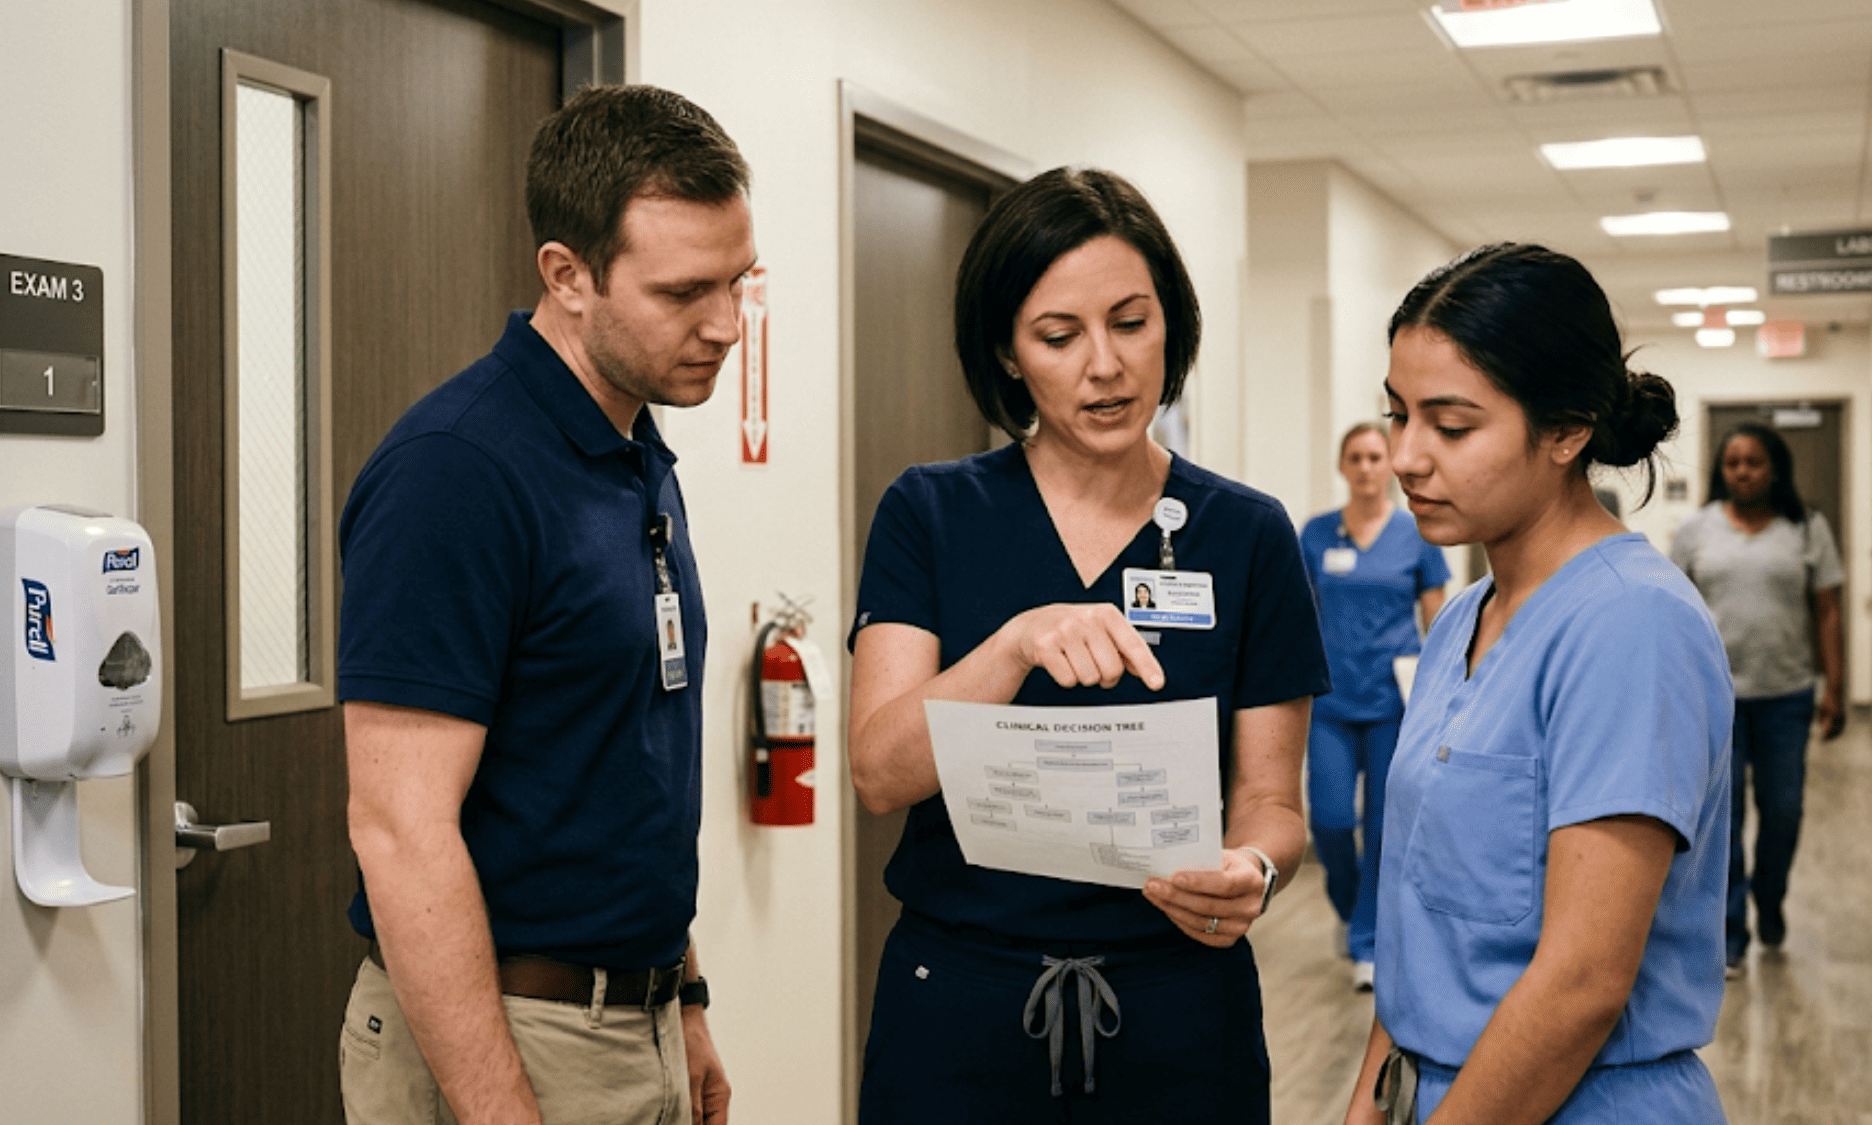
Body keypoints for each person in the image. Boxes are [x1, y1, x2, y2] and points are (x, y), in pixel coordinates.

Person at [849, 166, 1329, 1123]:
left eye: (1131, 321)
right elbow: (878, 770)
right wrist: (1016, 643)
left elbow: (1274, 803)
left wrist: (1256, 871)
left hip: (1179, 1006)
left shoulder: (1246, 533)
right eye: (1059, 336)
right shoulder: (932, 512)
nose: (1104, 365)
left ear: (1172, 325)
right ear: (1009, 353)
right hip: (961, 1002)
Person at [334, 84, 752, 1125]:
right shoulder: (458, 470)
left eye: (740, 283)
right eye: (684, 292)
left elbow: (617, 764)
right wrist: (498, 1109)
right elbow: (397, 828)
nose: (727, 326)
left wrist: (681, 997)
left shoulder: (628, 448)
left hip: (630, 1020)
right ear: (566, 277)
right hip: (504, 1037)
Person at [1343, 243, 1733, 1125]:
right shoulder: (1461, 620)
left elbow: (1583, 982)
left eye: (1451, 426)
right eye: (1397, 414)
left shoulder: (1633, 623)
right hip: (1429, 1088)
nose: (1406, 455)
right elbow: (1419, 927)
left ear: (1566, 430)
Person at [1668, 422, 1845, 976]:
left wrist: (1834, 685)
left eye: (1754, 462)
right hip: (1716, 697)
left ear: (1774, 469)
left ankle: (1770, 900)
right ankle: (1732, 932)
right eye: (1732, 463)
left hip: (1787, 694)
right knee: (1724, 818)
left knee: (1784, 812)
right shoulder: (1696, 530)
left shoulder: (1806, 527)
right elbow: (1675, 612)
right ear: (1722, 470)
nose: (1742, 472)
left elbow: (1828, 609)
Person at [1298, 423, 1448, 991]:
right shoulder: (1315, 533)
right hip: (1330, 700)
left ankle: (1369, 941)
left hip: (1395, 701)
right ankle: (1352, 906)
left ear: (1388, 465)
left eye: (1374, 457)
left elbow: (1437, 620)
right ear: (1342, 465)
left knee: (1386, 829)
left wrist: (1445, 695)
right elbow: (1298, 617)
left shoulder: (1417, 535)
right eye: (1355, 458)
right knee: (1332, 822)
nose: (1365, 467)